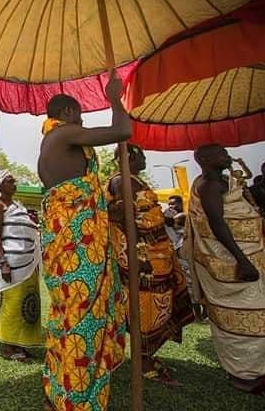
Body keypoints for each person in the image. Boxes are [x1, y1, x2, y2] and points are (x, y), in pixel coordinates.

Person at [36, 73, 128, 411]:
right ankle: (74, 398)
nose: (85, 122)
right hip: (78, 241)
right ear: (70, 113)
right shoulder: (65, 132)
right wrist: (115, 97)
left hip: (66, 240)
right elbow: (122, 131)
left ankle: (58, 389)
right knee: (82, 313)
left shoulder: (49, 142)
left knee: (66, 312)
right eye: (82, 115)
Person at [185, 144, 265, 399]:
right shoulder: (209, 187)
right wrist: (242, 260)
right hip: (231, 263)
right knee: (241, 320)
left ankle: (255, 373)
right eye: (220, 152)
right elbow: (217, 224)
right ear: (204, 159)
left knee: (258, 315)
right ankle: (245, 377)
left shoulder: (227, 183)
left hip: (249, 257)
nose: (226, 154)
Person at [107, 145, 194, 385]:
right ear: (130, 157)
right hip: (143, 258)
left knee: (159, 304)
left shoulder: (134, 181)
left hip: (158, 255)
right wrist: (139, 258)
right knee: (145, 309)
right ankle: (143, 361)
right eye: (142, 155)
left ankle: (146, 356)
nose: (145, 158)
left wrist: (169, 219)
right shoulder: (120, 182)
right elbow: (123, 221)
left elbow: (144, 214)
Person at [0, 170, 44, 362]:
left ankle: (21, 344)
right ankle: (8, 348)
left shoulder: (17, 206)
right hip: (11, 264)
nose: (14, 183)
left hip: (27, 263)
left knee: (26, 302)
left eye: (14, 180)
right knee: (12, 304)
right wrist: (4, 263)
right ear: (0, 185)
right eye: (9, 180)